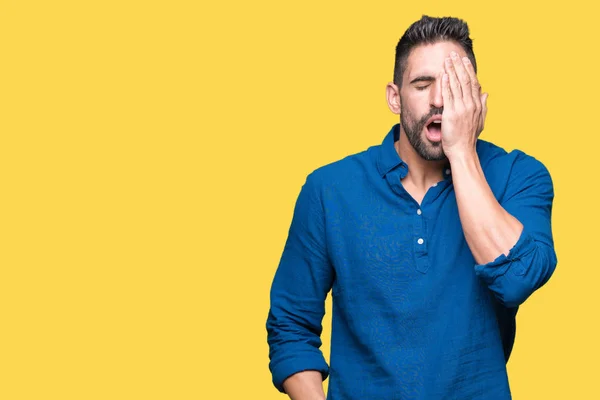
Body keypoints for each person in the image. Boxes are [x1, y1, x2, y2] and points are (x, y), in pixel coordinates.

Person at [266, 15, 557, 400]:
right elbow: (290, 326)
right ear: (394, 97)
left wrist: (461, 151)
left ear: (475, 96)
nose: (439, 99)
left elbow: (517, 279)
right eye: (423, 84)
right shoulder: (329, 189)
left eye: (455, 85)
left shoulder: (518, 175)